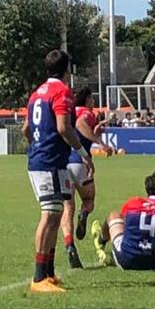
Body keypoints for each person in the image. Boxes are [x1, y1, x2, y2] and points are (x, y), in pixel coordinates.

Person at [23, 49, 93, 293]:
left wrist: (36, 146)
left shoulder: (36, 94)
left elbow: (25, 129)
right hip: (49, 161)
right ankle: (39, 277)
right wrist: (83, 154)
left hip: (48, 160)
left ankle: (49, 273)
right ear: (67, 70)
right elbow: (64, 127)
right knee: (50, 215)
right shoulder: (62, 91)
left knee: (55, 214)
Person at [92, 165, 155, 270]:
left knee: (113, 216)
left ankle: (101, 241)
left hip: (126, 261)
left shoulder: (132, 204)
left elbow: (126, 227)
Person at [61, 87, 112, 269]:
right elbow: (82, 125)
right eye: (93, 98)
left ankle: (69, 245)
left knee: (67, 207)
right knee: (89, 200)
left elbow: (75, 129)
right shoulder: (86, 112)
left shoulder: (68, 112)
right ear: (88, 99)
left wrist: (95, 132)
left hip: (63, 165)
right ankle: (84, 214)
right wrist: (100, 142)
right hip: (79, 163)